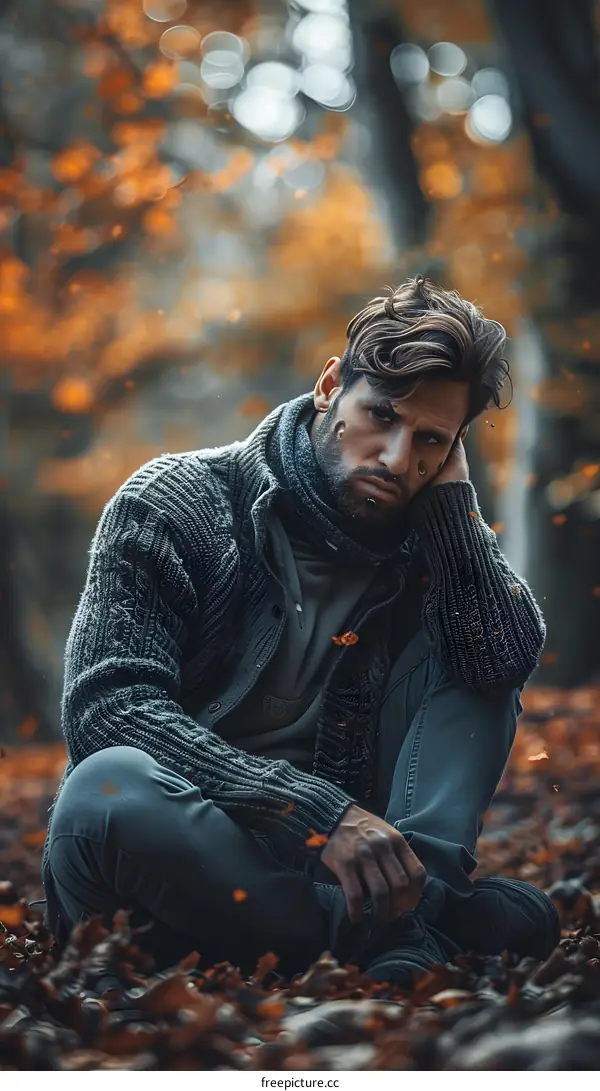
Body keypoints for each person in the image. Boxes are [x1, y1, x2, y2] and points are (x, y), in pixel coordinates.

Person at [41, 276, 560, 986]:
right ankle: (420, 927)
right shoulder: (173, 502)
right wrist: (313, 812)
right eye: (382, 415)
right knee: (103, 791)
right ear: (328, 387)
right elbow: (109, 712)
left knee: (481, 651)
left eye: (431, 441)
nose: (398, 457)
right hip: (176, 866)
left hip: (350, 871)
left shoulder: (428, 539)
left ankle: (408, 902)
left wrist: (452, 508)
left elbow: (503, 660)